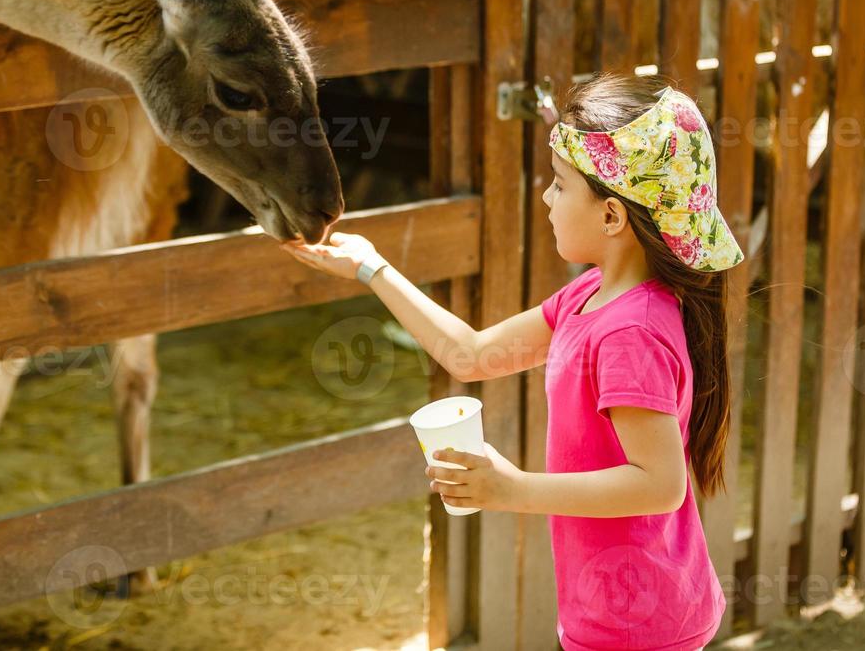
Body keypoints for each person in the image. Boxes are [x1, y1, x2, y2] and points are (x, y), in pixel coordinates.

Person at [282, 71, 740, 651]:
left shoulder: (632, 331)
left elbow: (658, 486)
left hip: (639, 620)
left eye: (559, 185)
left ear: (612, 217)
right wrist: (372, 268)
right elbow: (470, 355)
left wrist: (513, 489)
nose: (546, 198)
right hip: (615, 606)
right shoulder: (589, 298)